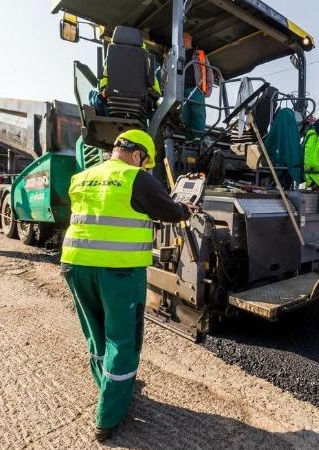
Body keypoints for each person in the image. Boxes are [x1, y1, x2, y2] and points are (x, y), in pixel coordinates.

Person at [60, 129, 193, 441]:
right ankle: (109, 415)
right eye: (145, 162)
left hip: (75, 265)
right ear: (138, 155)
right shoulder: (136, 177)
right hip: (118, 270)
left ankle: (107, 385)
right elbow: (168, 210)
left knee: (96, 333)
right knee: (123, 340)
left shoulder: (83, 176)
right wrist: (186, 209)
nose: (145, 168)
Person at [180, 32, 214, 136]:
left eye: (186, 36)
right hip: (180, 91)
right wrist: (165, 90)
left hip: (197, 90)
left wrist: (208, 90)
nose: (184, 38)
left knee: (198, 116)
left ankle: (198, 139)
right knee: (184, 117)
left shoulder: (200, 55)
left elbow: (209, 72)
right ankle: (187, 139)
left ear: (190, 38)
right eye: (182, 37)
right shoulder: (174, 54)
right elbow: (165, 72)